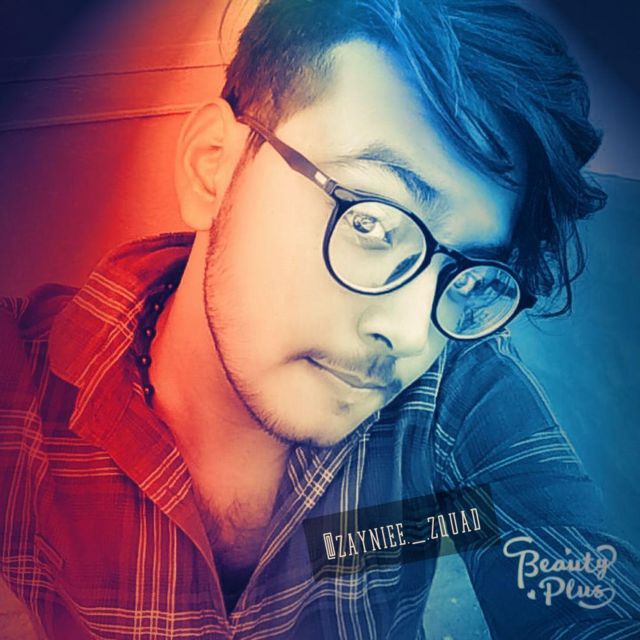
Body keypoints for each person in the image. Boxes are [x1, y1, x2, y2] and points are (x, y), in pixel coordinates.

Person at [1, 0, 639, 638]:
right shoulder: (20, 393)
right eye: (371, 224)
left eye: (465, 274)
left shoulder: (452, 386)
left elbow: (581, 586)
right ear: (212, 165)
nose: (410, 334)